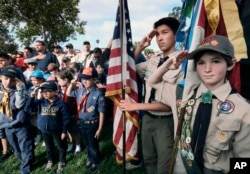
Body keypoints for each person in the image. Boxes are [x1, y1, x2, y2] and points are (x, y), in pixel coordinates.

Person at [145, 35, 250, 174]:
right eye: (201, 63)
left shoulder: (243, 109)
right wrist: (167, 65)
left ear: (230, 64)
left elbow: (244, 161)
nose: (207, 69)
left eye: (216, 61)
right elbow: (152, 82)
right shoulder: (182, 94)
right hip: (181, 169)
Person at [120, 17, 181, 174]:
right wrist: (140, 47)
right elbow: (128, 69)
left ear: (176, 34)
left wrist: (135, 106)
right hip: (147, 118)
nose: (160, 38)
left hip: (166, 121)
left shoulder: (182, 63)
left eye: (165, 32)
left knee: (165, 164)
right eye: (157, 35)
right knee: (149, 160)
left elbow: (171, 103)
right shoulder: (153, 61)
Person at [24, 80, 70, 174]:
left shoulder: (61, 104)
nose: (45, 93)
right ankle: (50, 160)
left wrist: (64, 131)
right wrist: (31, 98)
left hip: (57, 130)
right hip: (44, 130)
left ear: (55, 92)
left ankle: (61, 162)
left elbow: (66, 119)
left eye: (48, 91)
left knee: (61, 147)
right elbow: (27, 109)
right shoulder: (40, 102)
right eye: (43, 91)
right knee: (49, 147)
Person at [66, 67, 106, 173]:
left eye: (87, 78)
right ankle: (90, 158)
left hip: (93, 124)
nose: (84, 81)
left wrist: (100, 129)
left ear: (94, 79)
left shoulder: (98, 94)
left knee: (93, 144)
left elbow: (102, 112)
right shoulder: (80, 91)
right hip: (82, 123)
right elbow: (68, 94)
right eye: (83, 78)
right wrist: (72, 83)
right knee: (86, 143)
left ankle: (95, 161)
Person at [0, 67, 34, 174]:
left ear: (17, 80)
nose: (8, 82)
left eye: (12, 79)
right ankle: (27, 158)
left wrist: (20, 88)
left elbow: (19, 105)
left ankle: (25, 168)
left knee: (25, 147)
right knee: (16, 149)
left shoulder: (20, 91)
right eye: (6, 79)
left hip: (21, 125)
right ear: (1, 77)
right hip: (6, 125)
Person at [56, 70, 81, 155]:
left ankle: (78, 145)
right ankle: (71, 143)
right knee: (68, 130)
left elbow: (67, 100)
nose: (58, 83)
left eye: (59, 80)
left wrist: (77, 117)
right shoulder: (62, 89)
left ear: (66, 80)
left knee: (75, 131)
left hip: (73, 115)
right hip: (65, 115)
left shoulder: (75, 89)